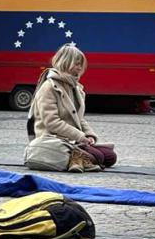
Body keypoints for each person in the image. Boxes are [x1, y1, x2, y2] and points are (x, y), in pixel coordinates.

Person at [28, 44, 116, 172]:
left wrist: (89, 135)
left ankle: (79, 157)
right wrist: (80, 136)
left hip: (73, 140)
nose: (80, 68)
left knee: (110, 157)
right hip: (54, 140)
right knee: (98, 156)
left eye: (81, 65)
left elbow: (79, 119)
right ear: (65, 62)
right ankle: (77, 158)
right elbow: (52, 122)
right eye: (77, 64)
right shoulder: (49, 87)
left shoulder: (76, 88)